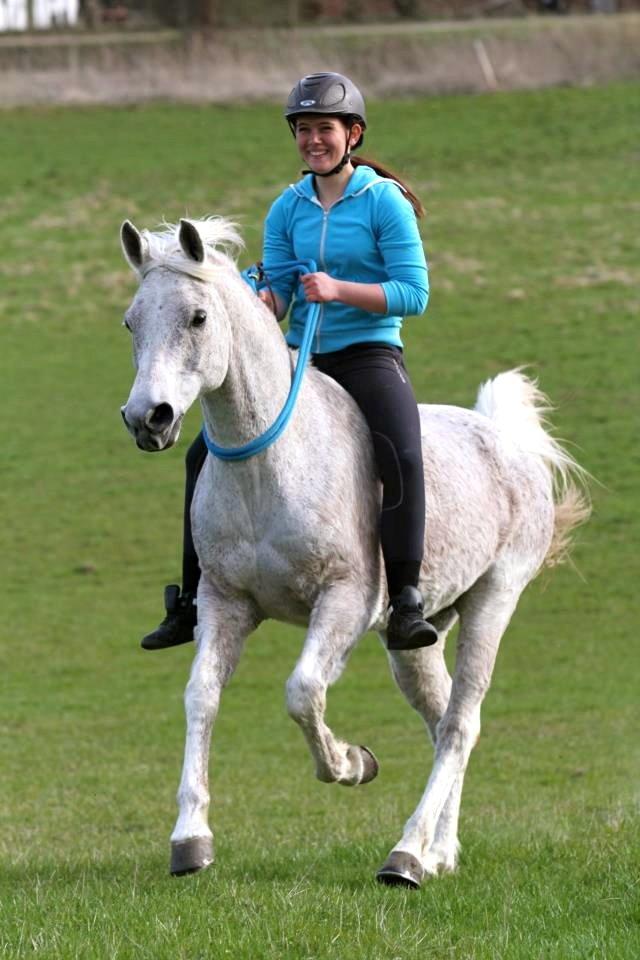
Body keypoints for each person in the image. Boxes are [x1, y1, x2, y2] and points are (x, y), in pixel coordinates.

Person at [142, 71, 438, 653]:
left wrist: (341, 290)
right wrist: (262, 300)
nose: (312, 140)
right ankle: (190, 605)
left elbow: (414, 293)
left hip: (370, 353)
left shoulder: (385, 203)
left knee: (401, 449)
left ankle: (405, 599)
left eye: (324, 128)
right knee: (203, 453)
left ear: (351, 134)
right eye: (303, 130)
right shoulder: (288, 207)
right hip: (304, 357)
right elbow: (277, 291)